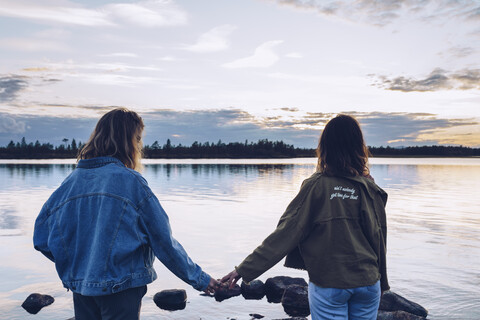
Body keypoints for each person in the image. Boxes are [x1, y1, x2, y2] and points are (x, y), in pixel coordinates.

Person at [33, 108, 218, 320]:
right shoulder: (131, 183)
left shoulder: (70, 182)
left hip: (82, 288)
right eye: (137, 138)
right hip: (121, 289)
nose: (139, 145)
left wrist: (78, 263)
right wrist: (202, 279)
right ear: (128, 141)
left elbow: (41, 239)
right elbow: (163, 242)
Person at [222, 114, 389, 320]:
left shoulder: (316, 186)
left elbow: (286, 233)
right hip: (368, 283)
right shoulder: (369, 187)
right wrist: (383, 282)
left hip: (331, 285)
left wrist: (243, 270)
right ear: (358, 147)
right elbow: (379, 238)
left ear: (325, 147)